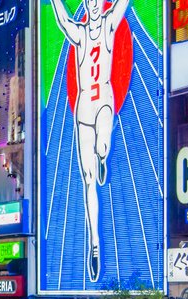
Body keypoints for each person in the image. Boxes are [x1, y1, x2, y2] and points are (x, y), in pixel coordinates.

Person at [49, 0, 129, 281]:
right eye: (89, 1)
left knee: (102, 145)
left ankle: (104, 154)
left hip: (104, 103)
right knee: (87, 178)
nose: (94, 5)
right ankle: (94, 244)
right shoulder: (80, 34)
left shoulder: (108, 25)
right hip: (83, 110)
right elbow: (61, 19)